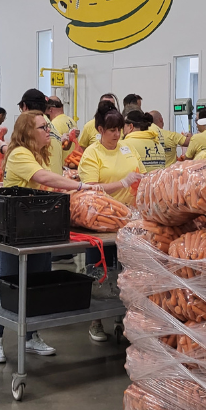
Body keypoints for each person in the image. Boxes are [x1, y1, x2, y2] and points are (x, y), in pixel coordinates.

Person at [0, 111, 123, 364]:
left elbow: (48, 181)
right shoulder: (19, 154)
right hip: (12, 228)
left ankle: (30, 337)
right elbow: (43, 178)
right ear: (28, 132)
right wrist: (82, 186)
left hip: (35, 227)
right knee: (7, 280)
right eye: (42, 128)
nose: (48, 132)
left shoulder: (38, 154)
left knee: (36, 281)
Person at [78, 107, 145, 341]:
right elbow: (89, 188)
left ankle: (120, 318)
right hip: (100, 221)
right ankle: (95, 321)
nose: (117, 135)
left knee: (124, 272)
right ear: (100, 130)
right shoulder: (91, 153)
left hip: (126, 220)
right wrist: (121, 183)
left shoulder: (127, 148)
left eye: (119, 129)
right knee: (98, 272)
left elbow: (139, 172)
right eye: (112, 130)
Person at [18, 89, 63, 174]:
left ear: (25, 106)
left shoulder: (31, 125)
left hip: (44, 181)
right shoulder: (49, 124)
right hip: (56, 180)